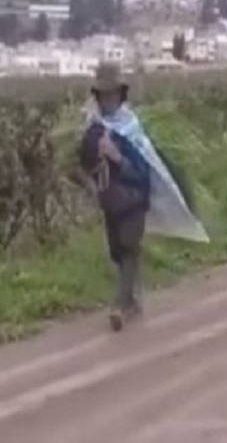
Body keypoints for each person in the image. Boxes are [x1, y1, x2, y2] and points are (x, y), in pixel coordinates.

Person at [78, 62, 152, 331]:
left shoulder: (130, 127)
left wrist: (117, 156)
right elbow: (84, 162)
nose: (108, 100)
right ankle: (133, 299)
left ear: (120, 95)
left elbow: (143, 170)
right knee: (118, 252)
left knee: (128, 245)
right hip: (111, 203)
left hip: (133, 199)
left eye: (113, 95)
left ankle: (121, 305)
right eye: (103, 95)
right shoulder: (94, 129)